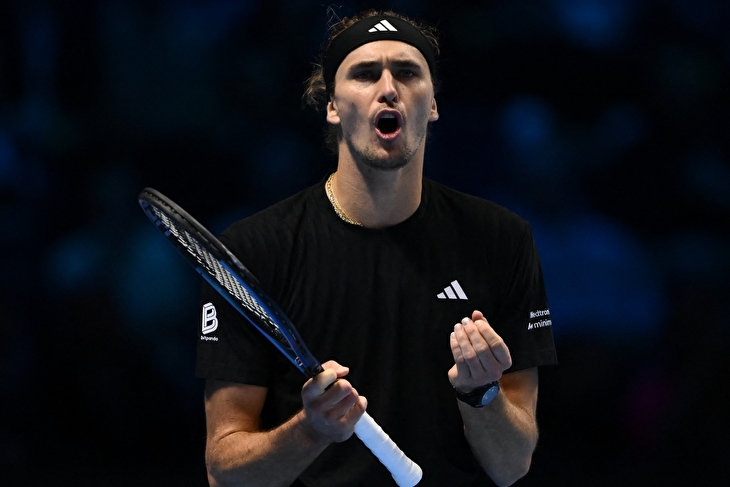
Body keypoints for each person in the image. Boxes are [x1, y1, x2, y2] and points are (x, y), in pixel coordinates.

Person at [196, 9, 557, 487]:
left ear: (432, 104)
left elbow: (512, 466)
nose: (389, 88)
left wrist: (482, 395)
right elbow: (223, 473)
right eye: (365, 74)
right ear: (331, 105)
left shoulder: (502, 240)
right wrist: (311, 430)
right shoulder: (254, 250)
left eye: (407, 73)